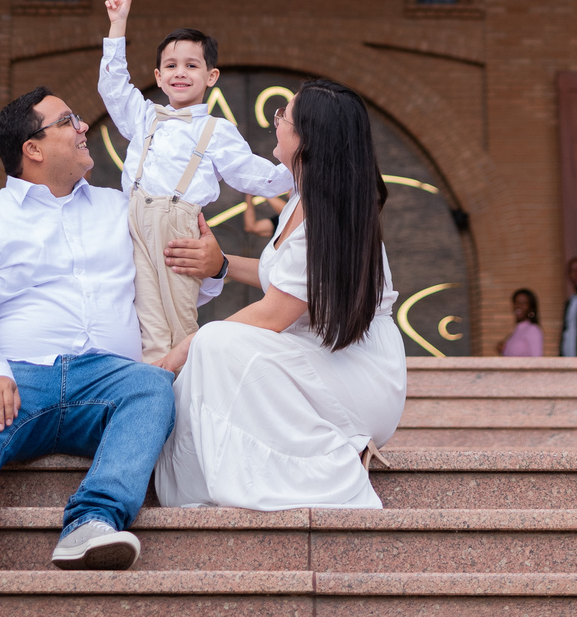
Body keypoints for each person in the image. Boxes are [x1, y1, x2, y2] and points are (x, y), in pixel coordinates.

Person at [0, 84, 225, 574]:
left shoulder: (122, 209)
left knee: (152, 387)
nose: (84, 127)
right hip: (19, 380)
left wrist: (213, 268)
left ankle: (94, 522)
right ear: (34, 149)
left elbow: (170, 281)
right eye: (68, 121)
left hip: (109, 380)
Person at [154, 78, 407, 510]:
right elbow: (287, 281)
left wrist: (181, 350)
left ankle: (326, 464)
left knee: (216, 344)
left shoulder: (328, 215)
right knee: (216, 348)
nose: (275, 123)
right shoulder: (302, 199)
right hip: (319, 357)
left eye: (282, 116)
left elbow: (274, 314)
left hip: (355, 371)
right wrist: (221, 264)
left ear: (306, 138)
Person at [99, 0, 295, 362]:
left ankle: (185, 384)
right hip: (133, 221)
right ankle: (154, 383)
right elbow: (113, 86)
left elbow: (256, 175)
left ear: (211, 76)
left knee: (178, 318)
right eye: (171, 66)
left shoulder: (217, 130)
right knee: (145, 321)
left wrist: (301, 167)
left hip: (177, 227)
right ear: (158, 76)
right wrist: (117, 25)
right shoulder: (143, 116)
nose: (180, 73)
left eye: (192, 65)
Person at [499, 287, 544, 356]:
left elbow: (537, 358)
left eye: (523, 303)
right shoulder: (516, 332)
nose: (519, 306)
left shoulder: (533, 329)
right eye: (516, 302)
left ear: (531, 307)